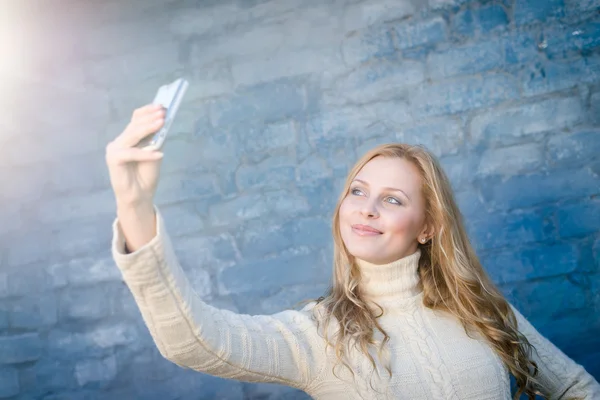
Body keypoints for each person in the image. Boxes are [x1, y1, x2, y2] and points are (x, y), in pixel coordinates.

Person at [105, 104, 600, 399]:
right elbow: (193, 341)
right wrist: (133, 203)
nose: (365, 209)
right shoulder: (320, 336)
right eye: (358, 192)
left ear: (427, 227)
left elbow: (578, 391)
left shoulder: (482, 312)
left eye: (392, 200)